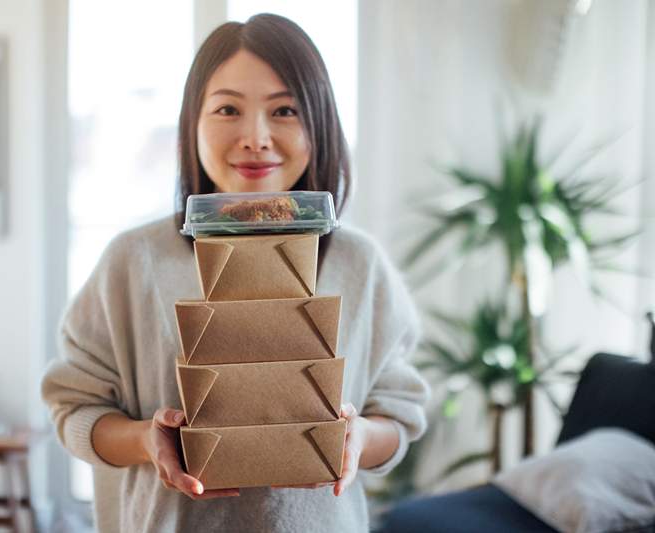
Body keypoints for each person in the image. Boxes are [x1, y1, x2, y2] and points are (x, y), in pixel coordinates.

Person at [41, 13, 429, 533]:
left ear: (320, 125)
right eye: (228, 109)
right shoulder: (133, 261)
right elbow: (75, 408)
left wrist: (358, 437)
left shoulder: (359, 264)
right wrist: (145, 441)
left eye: (284, 110)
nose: (255, 137)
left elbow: (398, 416)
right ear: (191, 125)